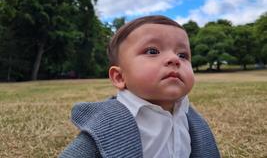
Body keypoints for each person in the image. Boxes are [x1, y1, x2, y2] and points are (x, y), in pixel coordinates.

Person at [59, 15, 220, 158]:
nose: (174, 59)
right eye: (152, 51)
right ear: (120, 77)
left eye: (182, 55)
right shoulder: (107, 123)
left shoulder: (190, 117)